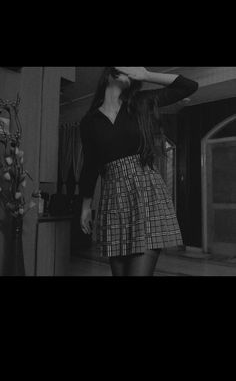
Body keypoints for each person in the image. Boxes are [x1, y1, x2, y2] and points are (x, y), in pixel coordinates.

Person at [79, 67, 199, 277]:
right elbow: (90, 165)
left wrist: (146, 75)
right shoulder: (89, 122)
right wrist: (86, 207)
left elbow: (188, 86)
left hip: (146, 193)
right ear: (110, 73)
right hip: (113, 200)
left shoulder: (140, 103)